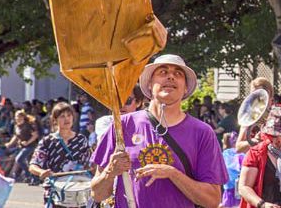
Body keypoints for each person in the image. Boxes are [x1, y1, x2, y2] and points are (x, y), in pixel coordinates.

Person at [90, 54, 228, 207]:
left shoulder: (202, 132)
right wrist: (110, 171)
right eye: (163, 72)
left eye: (178, 74)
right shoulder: (122, 125)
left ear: (186, 88)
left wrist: (172, 173)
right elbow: (97, 194)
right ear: (149, 83)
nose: (170, 77)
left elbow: (213, 200)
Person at [29, 102, 90, 207]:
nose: (67, 119)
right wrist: (42, 172)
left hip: (77, 192)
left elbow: (89, 164)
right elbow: (33, 166)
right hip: (54, 192)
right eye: (62, 116)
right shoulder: (47, 141)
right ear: (55, 120)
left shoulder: (81, 140)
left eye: (69, 115)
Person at [237, 78, 274, 153]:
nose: (254, 99)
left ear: (269, 93)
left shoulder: (280, 112)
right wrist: (253, 140)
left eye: (258, 94)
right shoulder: (248, 115)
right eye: (252, 95)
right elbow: (238, 148)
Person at [5, 110, 39, 182]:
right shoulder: (16, 126)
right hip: (22, 146)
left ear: (23, 117)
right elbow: (16, 136)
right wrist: (9, 143)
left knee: (19, 159)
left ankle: (28, 175)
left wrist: (27, 142)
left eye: (20, 117)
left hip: (31, 146)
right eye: (16, 117)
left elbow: (35, 135)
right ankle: (34, 178)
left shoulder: (28, 125)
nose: (18, 118)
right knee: (29, 162)